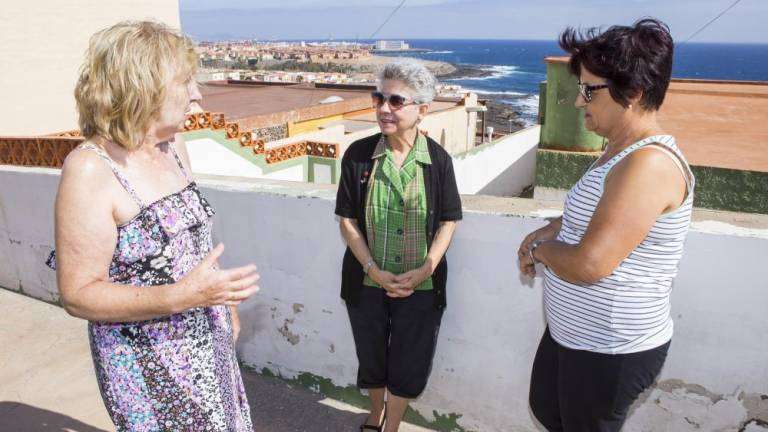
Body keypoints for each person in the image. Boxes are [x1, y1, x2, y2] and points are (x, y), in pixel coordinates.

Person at [52, 21, 259, 431]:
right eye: (186, 81)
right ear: (142, 86)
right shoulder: (91, 168)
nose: (197, 94)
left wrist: (226, 307)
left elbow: (199, 245)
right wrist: (179, 296)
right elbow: (78, 294)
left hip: (207, 339)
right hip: (149, 365)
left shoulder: (174, 147)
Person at [519, 18, 695, 432]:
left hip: (609, 348)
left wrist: (537, 252)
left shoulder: (647, 164)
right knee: (548, 411)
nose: (580, 102)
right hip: (577, 336)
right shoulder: (620, 150)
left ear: (632, 93)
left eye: (589, 90)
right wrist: (554, 227)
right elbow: (611, 215)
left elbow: (589, 264)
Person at [335, 60, 462, 432]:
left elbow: (448, 221)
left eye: (395, 100)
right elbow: (347, 220)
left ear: (422, 110)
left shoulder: (438, 162)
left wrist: (426, 269)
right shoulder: (358, 155)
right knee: (371, 355)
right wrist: (373, 270)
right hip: (367, 281)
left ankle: (392, 425)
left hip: (420, 286)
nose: (383, 109)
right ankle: (375, 414)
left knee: (409, 360)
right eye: (379, 99)